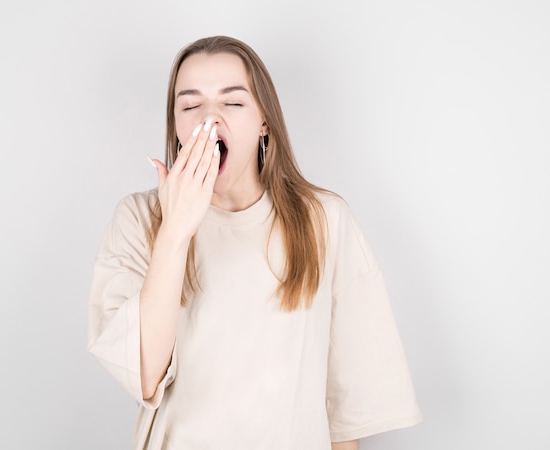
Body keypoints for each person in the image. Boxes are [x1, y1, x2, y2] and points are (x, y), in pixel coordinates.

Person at [88, 35, 422, 450]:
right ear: (175, 124)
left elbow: (346, 406)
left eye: (233, 102)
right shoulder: (138, 219)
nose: (209, 119)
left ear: (264, 120)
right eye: (190, 105)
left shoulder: (324, 220)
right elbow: (143, 373)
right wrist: (175, 230)